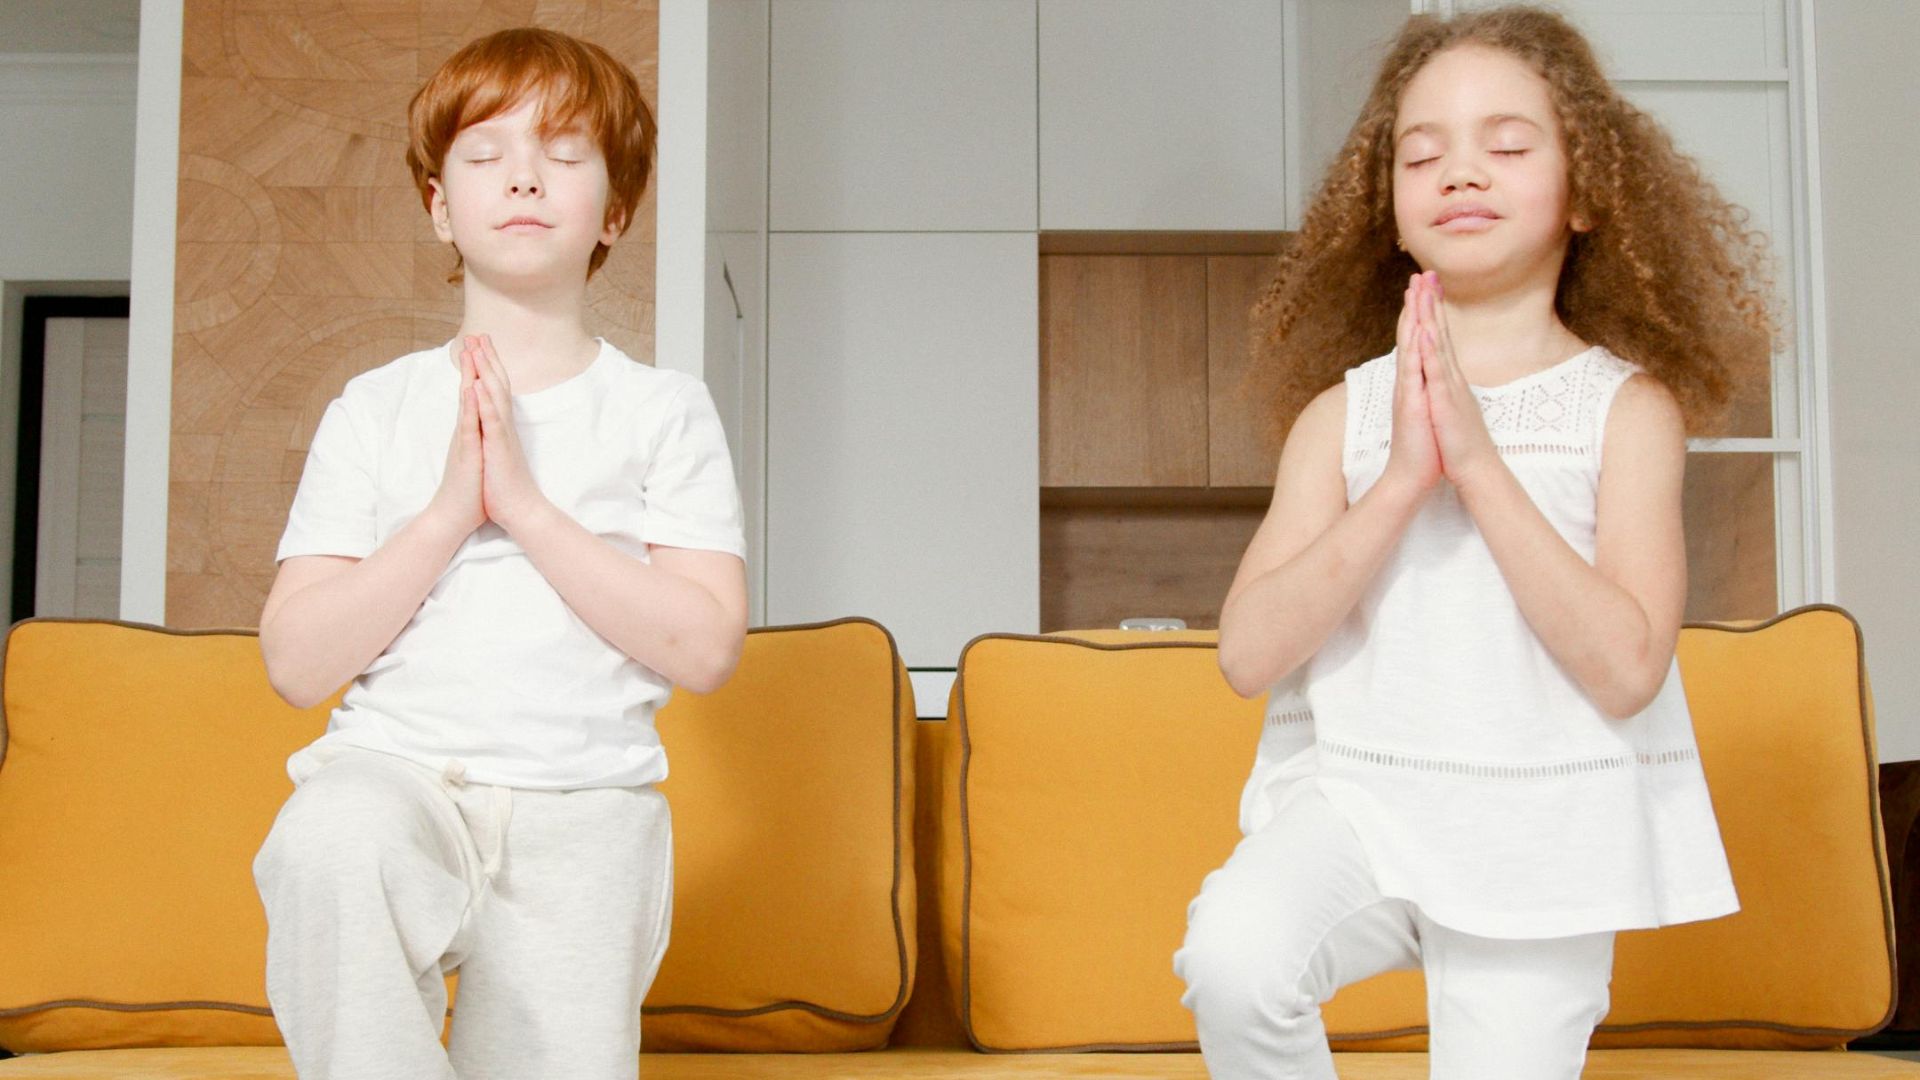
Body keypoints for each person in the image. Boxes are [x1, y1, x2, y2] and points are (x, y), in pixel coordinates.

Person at [1174, 7, 1776, 1079]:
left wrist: (1481, 466)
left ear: (1587, 193)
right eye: (1422, 154)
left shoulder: (1627, 413)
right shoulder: (1339, 419)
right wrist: (1404, 478)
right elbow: (1246, 655)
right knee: (1234, 957)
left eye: (1506, 146)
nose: (1461, 173)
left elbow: (1630, 669)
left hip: (1543, 835)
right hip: (1361, 805)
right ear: (1390, 207)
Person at [252, 27, 748, 1080]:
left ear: (613, 212)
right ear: (441, 206)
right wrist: (446, 513)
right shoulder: (374, 409)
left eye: (565, 154)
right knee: (327, 839)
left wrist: (523, 507)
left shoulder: (664, 411)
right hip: (397, 784)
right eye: (484, 155)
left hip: (585, 810)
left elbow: (704, 648)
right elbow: (296, 665)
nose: (524, 175)